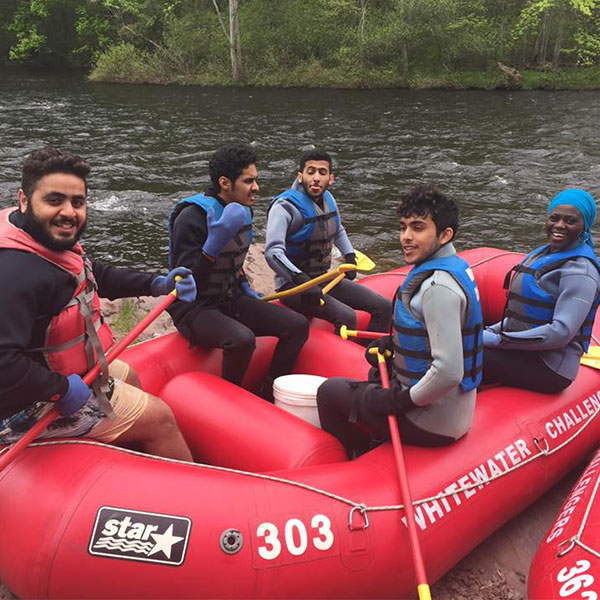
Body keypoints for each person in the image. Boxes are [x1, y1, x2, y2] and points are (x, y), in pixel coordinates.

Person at [0, 147, 196, 461]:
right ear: (24, 200)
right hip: (19, 405)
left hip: (54, 370)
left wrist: (155, 283)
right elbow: (3, 364)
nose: (69, 212)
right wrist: (60, 389)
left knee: (129, 375)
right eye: (54, 200)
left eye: (77, 202)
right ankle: (192, 500)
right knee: (161, 417)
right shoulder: (16, 274)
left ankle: (122, 450)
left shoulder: (40, 237)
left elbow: (92, 273)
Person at [317, 185, 483, 456]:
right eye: (403, 227)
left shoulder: (437, 288)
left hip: (432, 421)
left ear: (445, 235)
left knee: (330, 392)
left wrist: (401, 400)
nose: (405, 237)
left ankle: (356, 461)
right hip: (448, 412)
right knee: (372, 378)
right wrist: (394, 344)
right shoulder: (454, 268)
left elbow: (450, 372)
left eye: (418, 228)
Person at [167, 145, 309, 399]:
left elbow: (234, 258)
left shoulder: (243, 209)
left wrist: (243, 285)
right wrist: (212, 247)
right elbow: (185, 284)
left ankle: (270, 391)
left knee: (297, 326)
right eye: (249, 181)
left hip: (229, 298)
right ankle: (230, 403)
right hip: (193, 309)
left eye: (256, 180)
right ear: (224, 182)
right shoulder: (191, 217)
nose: (256, 188)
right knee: (242, 340)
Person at [482, 188, 600, 393]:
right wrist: (489, 331)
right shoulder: (543, 255)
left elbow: (560, 333)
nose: (559, 225)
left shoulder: (581, 272)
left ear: (584, 226)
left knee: (461, 355)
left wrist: (497, 340)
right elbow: (521, 318)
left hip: (549, 368)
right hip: (523, 350)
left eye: (570, 221)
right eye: (554, 218)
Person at [265, 150, 392, 335]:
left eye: (322, 173)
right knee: (347, 316)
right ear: (300, 176)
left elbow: (338, 230)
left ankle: (369, 357)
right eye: (311, 172)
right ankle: (347, 360)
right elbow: (273, 253)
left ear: (330, 178)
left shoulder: (328, 200)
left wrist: (350, 256)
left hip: (322, 278)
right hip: (294, 286)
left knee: (384, 307)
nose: (316, 178)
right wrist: (301, 280)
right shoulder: (284, 207)